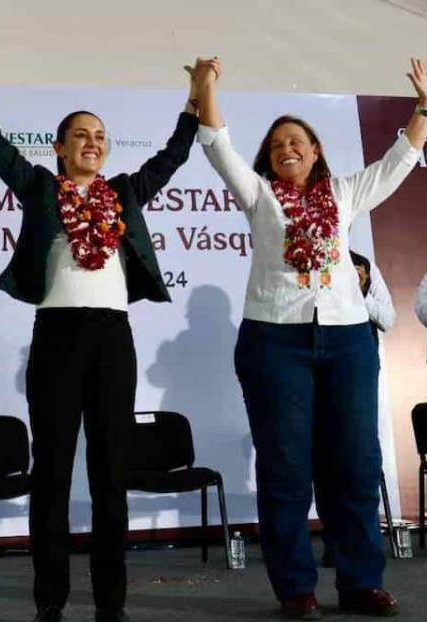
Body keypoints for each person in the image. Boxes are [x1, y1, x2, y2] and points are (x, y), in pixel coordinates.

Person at [0, 24, 213, 622]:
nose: (92, 143)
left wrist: (195, 101)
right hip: (56, 338)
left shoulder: (124, 193)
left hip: (112, 340)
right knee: (50, 475)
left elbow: (172, 159)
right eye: (81, 136)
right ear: (60, 147)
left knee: (109, 476)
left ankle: (110, 605)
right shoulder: (42, 189)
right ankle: (50, 601)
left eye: (100, 136)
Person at [195, 57, 427, 619]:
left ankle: (359, 582)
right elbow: (218, 145)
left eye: (296, 141)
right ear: (269, 161)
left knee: (353, 463)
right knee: (287, 467)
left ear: (317, 150)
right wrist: (204, 88)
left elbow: (398, 161)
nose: (286, 149)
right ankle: (296, 587)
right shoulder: (260, 196)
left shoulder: (345, 193)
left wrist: (424, 107)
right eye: (276, 146)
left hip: (348, 341)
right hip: (276, 341)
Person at [316, 250, 396, 567]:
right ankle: (333, 537)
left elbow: (388, 319)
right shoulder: (308, 254)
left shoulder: (363, 263)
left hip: (359, 367)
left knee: (358, 453)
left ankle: (359, 543)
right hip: (316, 367)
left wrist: (355, 293)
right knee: (324, 458)